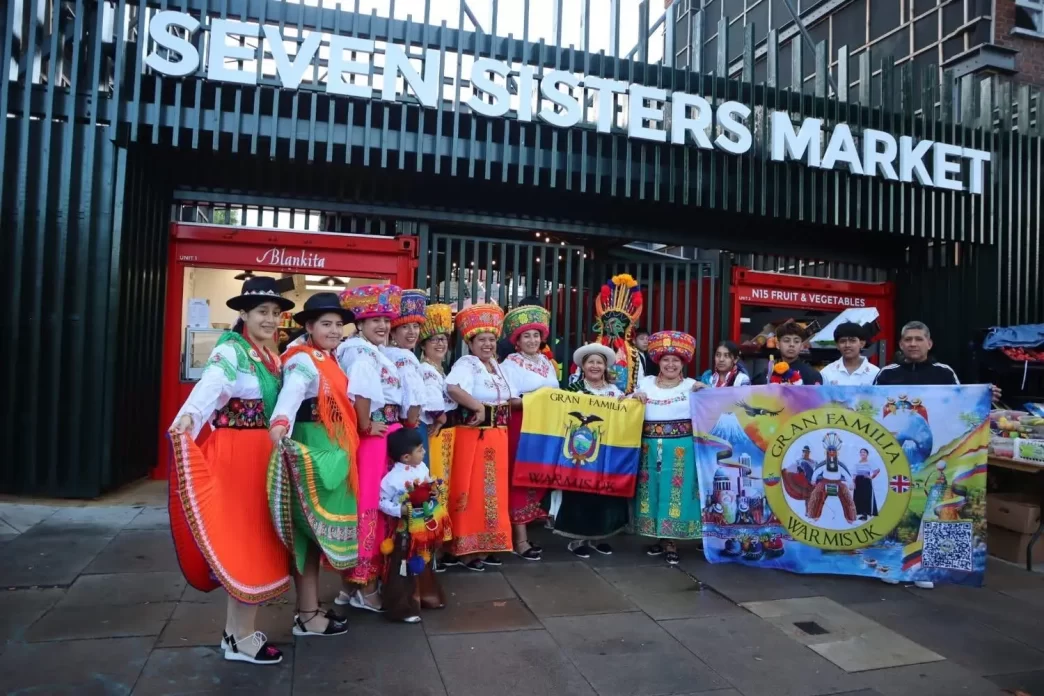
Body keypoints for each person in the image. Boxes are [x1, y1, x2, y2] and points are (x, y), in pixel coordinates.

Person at [167, 276, 294, 665]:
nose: (270, 320)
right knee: (246, 542)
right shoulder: (232, 351)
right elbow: (212, 384)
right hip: (238, 455)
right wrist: (190, 415)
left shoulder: (270, 355)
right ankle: (242, 639)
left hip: (260, 456)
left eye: (275, 313)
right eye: (262, 312)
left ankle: (233, 634)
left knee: (256, 538)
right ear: (243, 313)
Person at [871, 320, 1001, 589]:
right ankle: (894, 566)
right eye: (908, 339)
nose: (913, 344)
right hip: (894, 456)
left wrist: (986, 395)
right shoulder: (886, 374)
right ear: (900, 344)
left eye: (919, 339)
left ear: (929, 343)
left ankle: (927, 569)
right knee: (894, 509)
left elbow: (962, 404)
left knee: (935, 507)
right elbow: (872, 407)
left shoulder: (944, 373)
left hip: (935, 455)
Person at [266, 292, 356, 638]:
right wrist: (281, 425)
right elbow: (292, 393)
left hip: (331, 448)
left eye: (337, 324)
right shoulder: (302, 360)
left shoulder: (327, 357)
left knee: (314, 537)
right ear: (309, 326)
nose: (333, 330)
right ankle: (306, 614)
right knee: (308, 532)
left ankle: (311, 608)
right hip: (313, 447)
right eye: (326, 324)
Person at [334, 283, 404, 612]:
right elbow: (361, 392)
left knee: (371, 502)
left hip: (382, 433)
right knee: (370, 505)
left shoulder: (369, 350)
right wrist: (366, 424)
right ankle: (366, 582)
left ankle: (351, 586)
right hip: (373, 437)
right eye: (374, 319)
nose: (382, 325)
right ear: (359, 323)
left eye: (386, 320)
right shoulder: (360, 352)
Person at [444, 303, 514, 571]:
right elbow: (452, 387)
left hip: (497, 435)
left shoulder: (497, 365)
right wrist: (477, 406)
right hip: (475, 436)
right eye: (481, 340)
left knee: (492, 494)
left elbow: (511, 396)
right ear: (470, 343)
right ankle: (464, 550)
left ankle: (486, 545)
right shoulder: (467, 363)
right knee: (471, 492)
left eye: (491, 339)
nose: (487, 344)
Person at [631, 331, 706, 565]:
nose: (671, 364)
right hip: (650, 447)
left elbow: (714, 405)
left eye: (676, 360)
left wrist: (707, 393)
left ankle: (671, 540)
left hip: (681, 448)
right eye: (666, 360)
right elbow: (626, 404)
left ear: (683, 363)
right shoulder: (645, 384)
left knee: (676, 494)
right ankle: (658, 537)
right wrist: (635, 397)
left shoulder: (692, 386)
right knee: (652, 492)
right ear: (659, 362)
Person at [550, 343, 631, 558]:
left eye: (599, 362)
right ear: (583, 366)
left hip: (607, 453)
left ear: (605, 367)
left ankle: (599, 537)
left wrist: (633, 401)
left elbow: (625, 416)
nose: (595, 366)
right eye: (591, 362)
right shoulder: (573, 391)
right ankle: (577, 539)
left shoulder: (615, 392)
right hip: (581, 452)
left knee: (604, 496)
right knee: (580, 493)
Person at [500, 304, 558, 561]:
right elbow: (509, 400)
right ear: (517, 340)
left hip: (546, 426)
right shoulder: (510, 364)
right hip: (522, 426)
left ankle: (530, 526)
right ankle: (520, 540)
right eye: (527, 336)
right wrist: (541, 400)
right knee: (520, 477)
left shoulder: (547, 362)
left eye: (536, 335)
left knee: (539, 475)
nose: (532, 340)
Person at [378, 428, 450, 623]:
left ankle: (427, 596)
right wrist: (398, 510)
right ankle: (405, 607)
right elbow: (381, 501)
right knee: (404, 566)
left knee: (424, 560)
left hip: (423, 527)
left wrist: (434, 493)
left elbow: (429, 486)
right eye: (420, 450)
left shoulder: (422, 468)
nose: (424, 452)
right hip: (405, 529)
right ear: (406, 456)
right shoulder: (391, 479)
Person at [582, 274, 645, 393]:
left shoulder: (633, 356)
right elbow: (578, 380)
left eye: (618, 326)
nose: (613, 330)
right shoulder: (590, 351)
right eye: (609, 325)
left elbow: (638, 385)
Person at [383, 289, 428, 435]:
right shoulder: (403, 357)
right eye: (405, 327)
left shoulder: (385, 353)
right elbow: (414, 397)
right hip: (405, 427)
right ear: (393, 332)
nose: (412, 332)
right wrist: (410, 423)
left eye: (415, 326)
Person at [754, 321, 823, 385]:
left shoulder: (811, 374)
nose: (791, 344)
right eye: (787, 340)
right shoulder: (767, 374)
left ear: (802, 346)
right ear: (778, 345)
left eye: (796, 341)